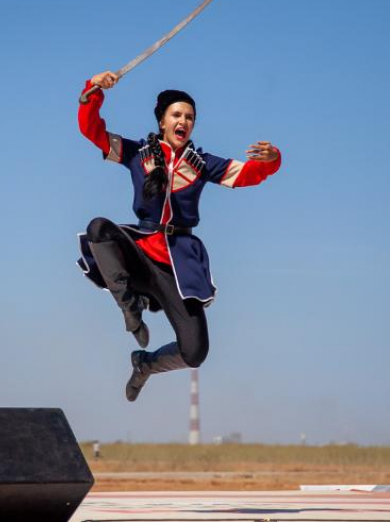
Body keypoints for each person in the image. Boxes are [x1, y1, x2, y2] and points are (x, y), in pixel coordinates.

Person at [77, 71, 281, 402]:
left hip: (178, 267)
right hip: (139, 253)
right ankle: (129, 305)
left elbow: (247, 175)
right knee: (98, 228)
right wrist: (93, 90)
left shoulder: (201, 164)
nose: (183, 120)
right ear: (162, 121)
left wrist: (272, 161)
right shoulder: (136, 153)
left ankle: (145, 365)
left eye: (189, 117)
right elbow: (92, 130)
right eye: (176, 114)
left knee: (195, 352)